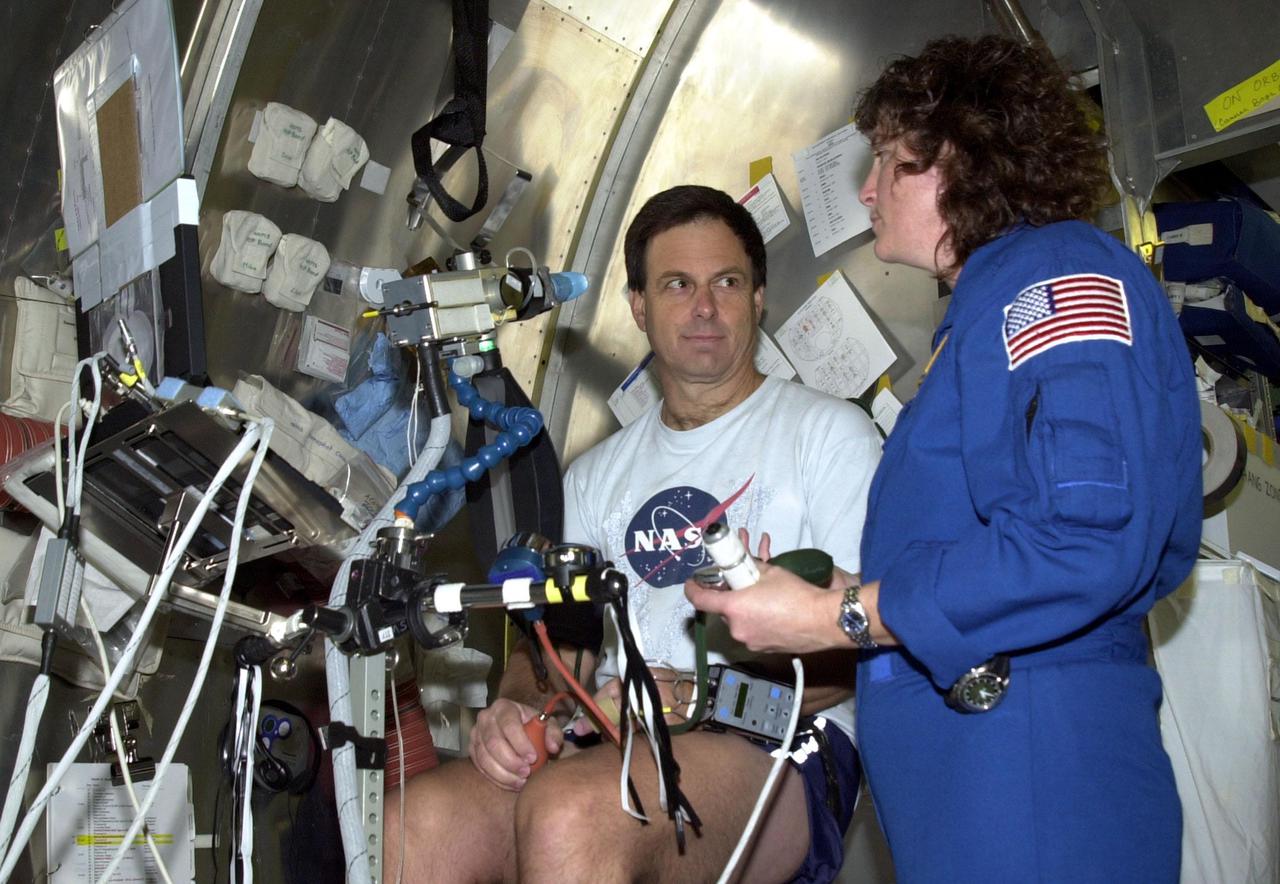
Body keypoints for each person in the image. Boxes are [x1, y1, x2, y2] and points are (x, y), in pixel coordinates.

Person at [686, 35, 1201, 883]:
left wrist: (835, 622)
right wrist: (833, 596)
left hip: (1034, 785)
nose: (867, 187)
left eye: (889, 160)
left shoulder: (1056, 274)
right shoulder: (989, 308)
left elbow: (1084, 539)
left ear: (959, 156)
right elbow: (987, 546)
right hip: (981, 791)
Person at [386, 185, 882, 882]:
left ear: (759, 297)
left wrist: (694, 697)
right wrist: (517, 705)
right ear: (639, 307)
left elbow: (859, 651)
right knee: (416, 826)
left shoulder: (831, 437)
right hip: (611, 735)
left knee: (574, 812)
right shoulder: (593, 477)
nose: (704, 307)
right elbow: (558, 652)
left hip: (783, 738)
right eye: (677, 284)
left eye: (727, 283)